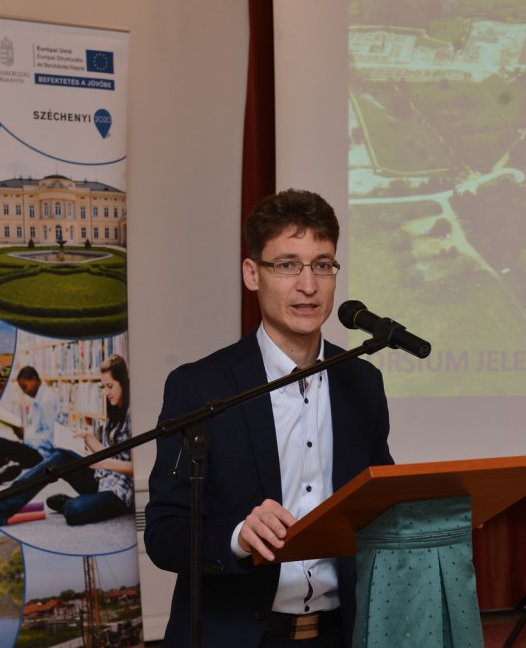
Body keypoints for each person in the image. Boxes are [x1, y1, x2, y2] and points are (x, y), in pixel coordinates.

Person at [145, 189, 393, 648]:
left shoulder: (362, 383)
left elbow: (379, 504)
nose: (308, 285)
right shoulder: (199, 388)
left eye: (323, 264)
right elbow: (164, 534)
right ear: (251, 273)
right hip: (238, 636)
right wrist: (238, 537)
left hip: (341, 635)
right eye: (287, 265)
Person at [0, 356, 134, 527]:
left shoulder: (133, 416)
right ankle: (0, 507)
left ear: (123, 383)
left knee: (75, 511)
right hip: (102, 478)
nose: (106, 393)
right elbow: (111, 453)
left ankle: (68, 503)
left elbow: (137, 466)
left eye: (110, 386)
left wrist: (102, 463)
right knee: (59, 458)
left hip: (119, 492)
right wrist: (88, 437)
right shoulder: (114, 411)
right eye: (103, 387)